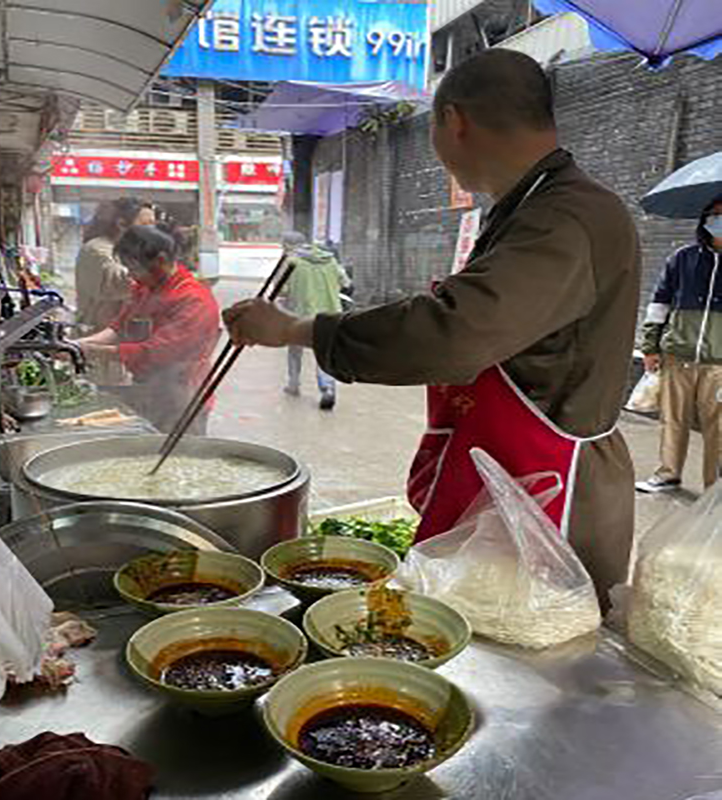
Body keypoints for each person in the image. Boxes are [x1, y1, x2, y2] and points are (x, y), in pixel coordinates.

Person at [223, 49, 641, 611]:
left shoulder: (567, 216)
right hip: (514, 470)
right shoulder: (534, 206)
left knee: (537, 662)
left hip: (555, 491)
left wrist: (296, 329)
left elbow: (455, 333)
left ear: (454, 121)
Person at [77, 226, 220, 434]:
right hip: (150, 389)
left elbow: (155, 353)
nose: (132, 277)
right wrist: (79, 345)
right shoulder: (146, 288)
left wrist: (91, 351)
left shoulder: (193, 299)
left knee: (180, 458)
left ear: (160, 260)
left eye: (134, 269)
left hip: (184, 396)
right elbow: (120, 326)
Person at [636, 197, 722, 493]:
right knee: (672, 420)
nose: (718, 221)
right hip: (677, 356)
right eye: (714, 214)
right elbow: (658, 304)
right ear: (704, 219)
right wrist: (650, 346)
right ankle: (668, 474)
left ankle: (715, 490)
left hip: (719, 364)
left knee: (719, 430)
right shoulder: (682, 258)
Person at [281, 231, 351, 410]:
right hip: (330, 316)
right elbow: (345, 283)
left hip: (301, 315)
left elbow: (281, 290)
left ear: (288, 245)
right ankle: (327, 388)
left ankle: (294, 384)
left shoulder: (291, 262)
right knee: (324, 353)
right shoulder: (330, 259)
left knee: (294, 350)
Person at [75, 198, 156, 333]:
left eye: (153, 224)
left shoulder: (132, 249)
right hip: (96, 336)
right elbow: (121, 281)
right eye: (145, 224)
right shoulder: (96, 249)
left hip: (123, 336)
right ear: (121, 224)